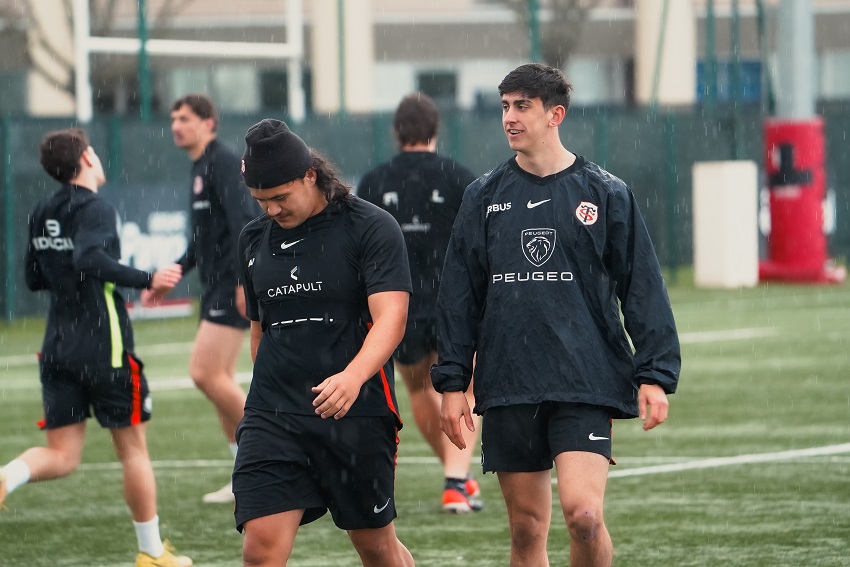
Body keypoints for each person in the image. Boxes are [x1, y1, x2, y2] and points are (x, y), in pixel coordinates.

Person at [431, 63, 681, 566]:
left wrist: (654, 373)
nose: (509, 117)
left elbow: (642, 286)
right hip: (509, 382)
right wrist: (453, 384)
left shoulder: (606, 193)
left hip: (584, 379)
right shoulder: (483, 197)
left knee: (584, 517)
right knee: (526, 531)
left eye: (522, 105)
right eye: (504, 106)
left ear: (555, 114)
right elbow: (459, 295)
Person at [0, 128, 192, 567]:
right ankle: (151, 552)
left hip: (57, 347)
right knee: (133, 451)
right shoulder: (97, 208)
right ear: (86, 157)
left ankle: (8, 475)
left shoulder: (42, 210)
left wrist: (66, 277)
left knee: (62, 456)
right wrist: (148, 278)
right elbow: (89, 259)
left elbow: (33, 277)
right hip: (104, 346)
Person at [233, 119, 415, 566]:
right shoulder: (253, 240)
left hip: (358, 411)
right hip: (273, 414)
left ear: (310, 175)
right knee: (260, 550)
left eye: (281, 197)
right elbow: (260, 331)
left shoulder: (370, 226)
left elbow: (391, 317)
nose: (272, 210)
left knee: (376, 549)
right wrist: (269, 397)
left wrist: (352, 377)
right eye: (262, 201)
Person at [358, 93, 482, 513]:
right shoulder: (459, 176)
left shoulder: (374, 181)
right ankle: (456, 479)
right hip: (453, 305)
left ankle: (456, 476)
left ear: (397, 132)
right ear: (435, 130)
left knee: (418, 389)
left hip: (398, 308)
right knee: (466, 389)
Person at [142, 94, 260, 504]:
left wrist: (246, 281)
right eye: (173, 118)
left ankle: (280, 450)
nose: (176, 124)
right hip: (214, 285)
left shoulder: (224, 162)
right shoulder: (199, 166)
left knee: (205, 374)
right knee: (218, 382)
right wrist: (170, 273)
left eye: (186, 118)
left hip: (231, 284)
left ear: (209, 123)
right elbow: (202, 238)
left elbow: (244, 221)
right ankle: (246, 474)